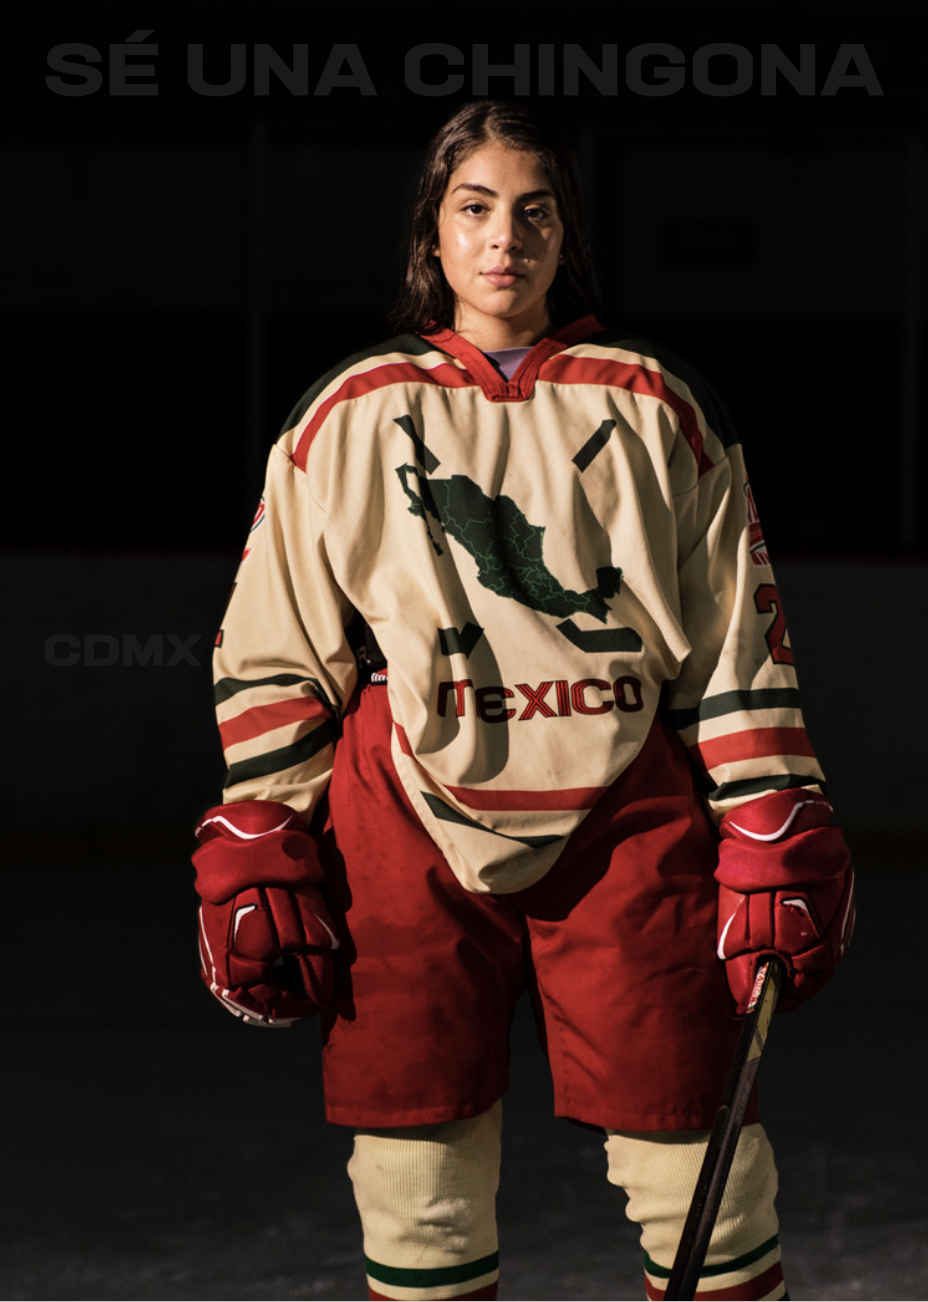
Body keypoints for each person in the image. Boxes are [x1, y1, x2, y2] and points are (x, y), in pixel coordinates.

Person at [191, 101, 854, 1301]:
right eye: (476, 208)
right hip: (401, 813)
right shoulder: (349, 410)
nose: (506, 239)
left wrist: (767, 806)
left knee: (693, 1151)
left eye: (535, 211)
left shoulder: (660, 404)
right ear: (432, 235)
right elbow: (278, 642)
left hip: (627, 812)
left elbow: (730, 640)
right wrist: (263, 822)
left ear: (568, 234)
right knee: (415, 1165)